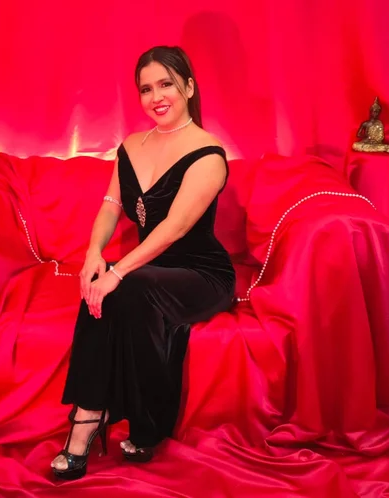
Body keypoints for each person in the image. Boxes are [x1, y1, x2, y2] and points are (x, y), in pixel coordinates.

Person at [50, 45, 236, 480]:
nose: (156, 97)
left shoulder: (209, 153)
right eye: (146, 89)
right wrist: (95, 254)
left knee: (125, 285)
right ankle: (90, 414)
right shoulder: (132, 146)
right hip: (148, 267)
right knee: (104, 287)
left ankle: (110, 422)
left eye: (166, 84)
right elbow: (111, 204)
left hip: (201, 273)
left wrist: (118, 271)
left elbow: (173, 228)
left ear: (188, 87)